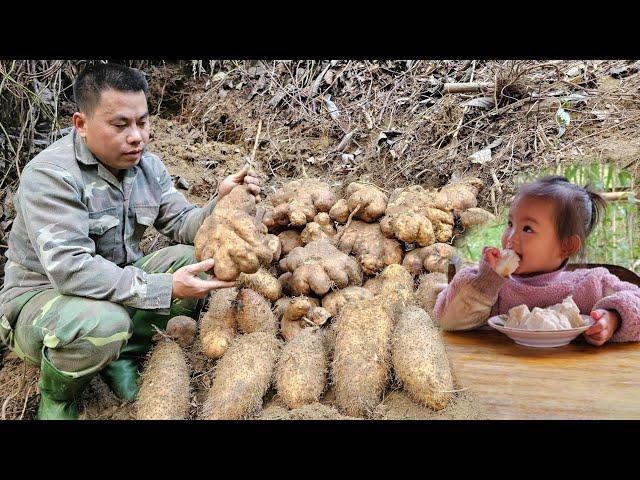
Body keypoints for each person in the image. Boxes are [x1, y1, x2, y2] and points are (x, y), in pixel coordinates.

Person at [0, 63, 261, 419]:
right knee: (106, 322)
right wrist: (165, 286)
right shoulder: (51, 176)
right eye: (121, 125)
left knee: (194, 259)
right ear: (81, 124)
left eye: (142, 121)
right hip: (42, 302)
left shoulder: (146, 167)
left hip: (113, 288)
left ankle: (122, 354)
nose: (137, 136)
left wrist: (221, 201)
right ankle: (58, 397)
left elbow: (184, 222)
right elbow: (72, 271)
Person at [434, 175, 640, 345]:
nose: (510, 237)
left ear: (566, 246)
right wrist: (485, 283)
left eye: (527, 229)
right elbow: (446, 319)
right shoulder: (495, 288)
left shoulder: (592, 285)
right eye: (510, 223)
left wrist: (614, 318)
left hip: (574, 381)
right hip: (503, 379)